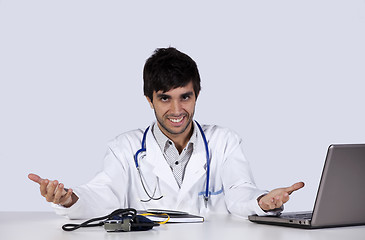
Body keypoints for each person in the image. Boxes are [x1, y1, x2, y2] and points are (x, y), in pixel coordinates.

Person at [28, 47, 304, 219]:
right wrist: (69, 199)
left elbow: (239, 191)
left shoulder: (224, 141)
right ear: (149, 99)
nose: (177, 109)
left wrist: (262, 201)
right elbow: (103, 195)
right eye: (164, 98)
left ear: (197, 95)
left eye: (185, 97)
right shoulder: (124, 148)